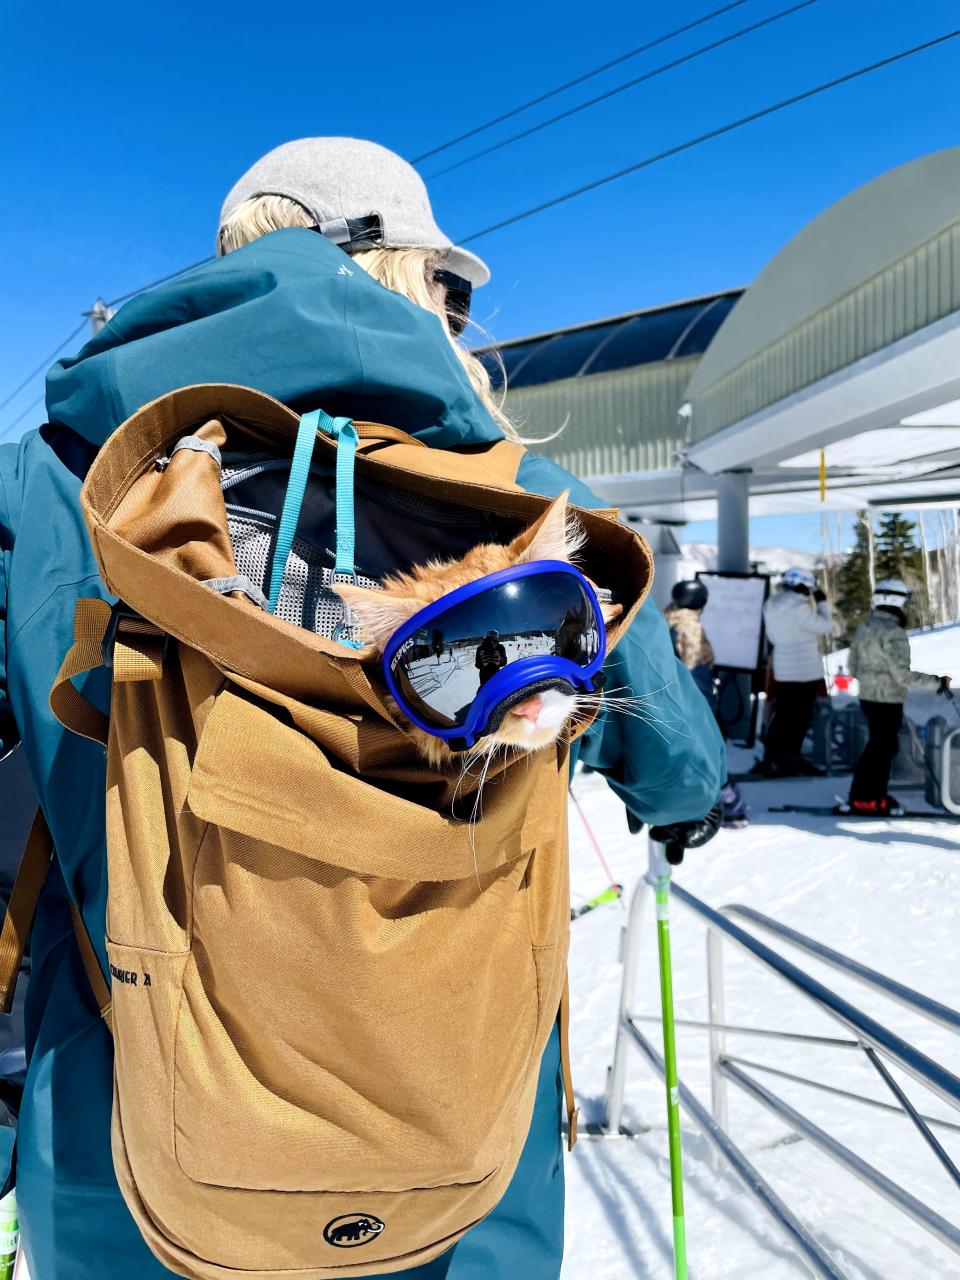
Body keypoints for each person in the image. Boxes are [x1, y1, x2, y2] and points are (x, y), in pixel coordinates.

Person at [0, 137, 725, 1280]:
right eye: (451, 284)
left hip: (124, 1152)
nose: (458, 308)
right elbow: (677, 761)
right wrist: (681, 794)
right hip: (458, 1164)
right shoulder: (524, 494)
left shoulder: (49, 478)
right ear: (395, 272)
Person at [846, 579, 950, 815]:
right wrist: (937, 682)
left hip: (868, 698)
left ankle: (868, 795)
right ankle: (868, 799)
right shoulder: (894, 632)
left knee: (879, 746)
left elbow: (853, 666)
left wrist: (872, 680)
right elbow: (902, 676)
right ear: (896, 601)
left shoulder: (866, 626)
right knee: (882, 749)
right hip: (888, 699)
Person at [665, 579, 748, 828]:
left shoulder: (667, 617)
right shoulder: (689, 626)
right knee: (710, 753)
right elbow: (693, 669)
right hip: (693, 703)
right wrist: (707, 710)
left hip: (670, 699)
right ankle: (724, 804)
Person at [756, 566, 833, 777]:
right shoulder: (800, 608)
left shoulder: (770, 604)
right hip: (805, 668)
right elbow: (826, 627)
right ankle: (790, 758)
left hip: (783, 667)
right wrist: (823, 604)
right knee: (799, 718)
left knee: (782, 715)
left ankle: (772, 757)